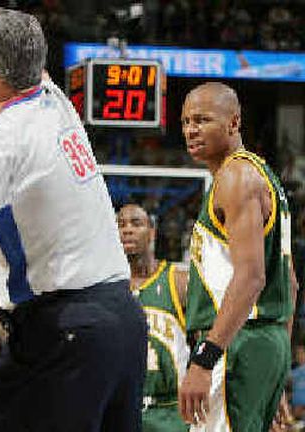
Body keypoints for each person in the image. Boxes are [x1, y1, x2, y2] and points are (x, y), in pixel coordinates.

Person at [0, 7, 146, 432]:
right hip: (123, 324)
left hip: (66, 336)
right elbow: (23, 40)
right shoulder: (54, 102)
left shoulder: (1, 147)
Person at [178, 81, 298, 432]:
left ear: (233, 122)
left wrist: (205, 359)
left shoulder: (235, 177)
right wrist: (277, 361)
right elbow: (289, 284)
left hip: (235, 344)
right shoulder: (263, 176)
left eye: (202, 120)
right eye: (185, 122)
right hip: (265, 341)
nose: (190, 130)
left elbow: (251, 278)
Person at [117, 203, 189, 432]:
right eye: (120, 225)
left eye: (136, 223)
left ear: (152, 232)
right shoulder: (105, 286)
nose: (127, 230)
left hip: (169, 414)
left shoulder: (178, 282)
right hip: (120, 412)